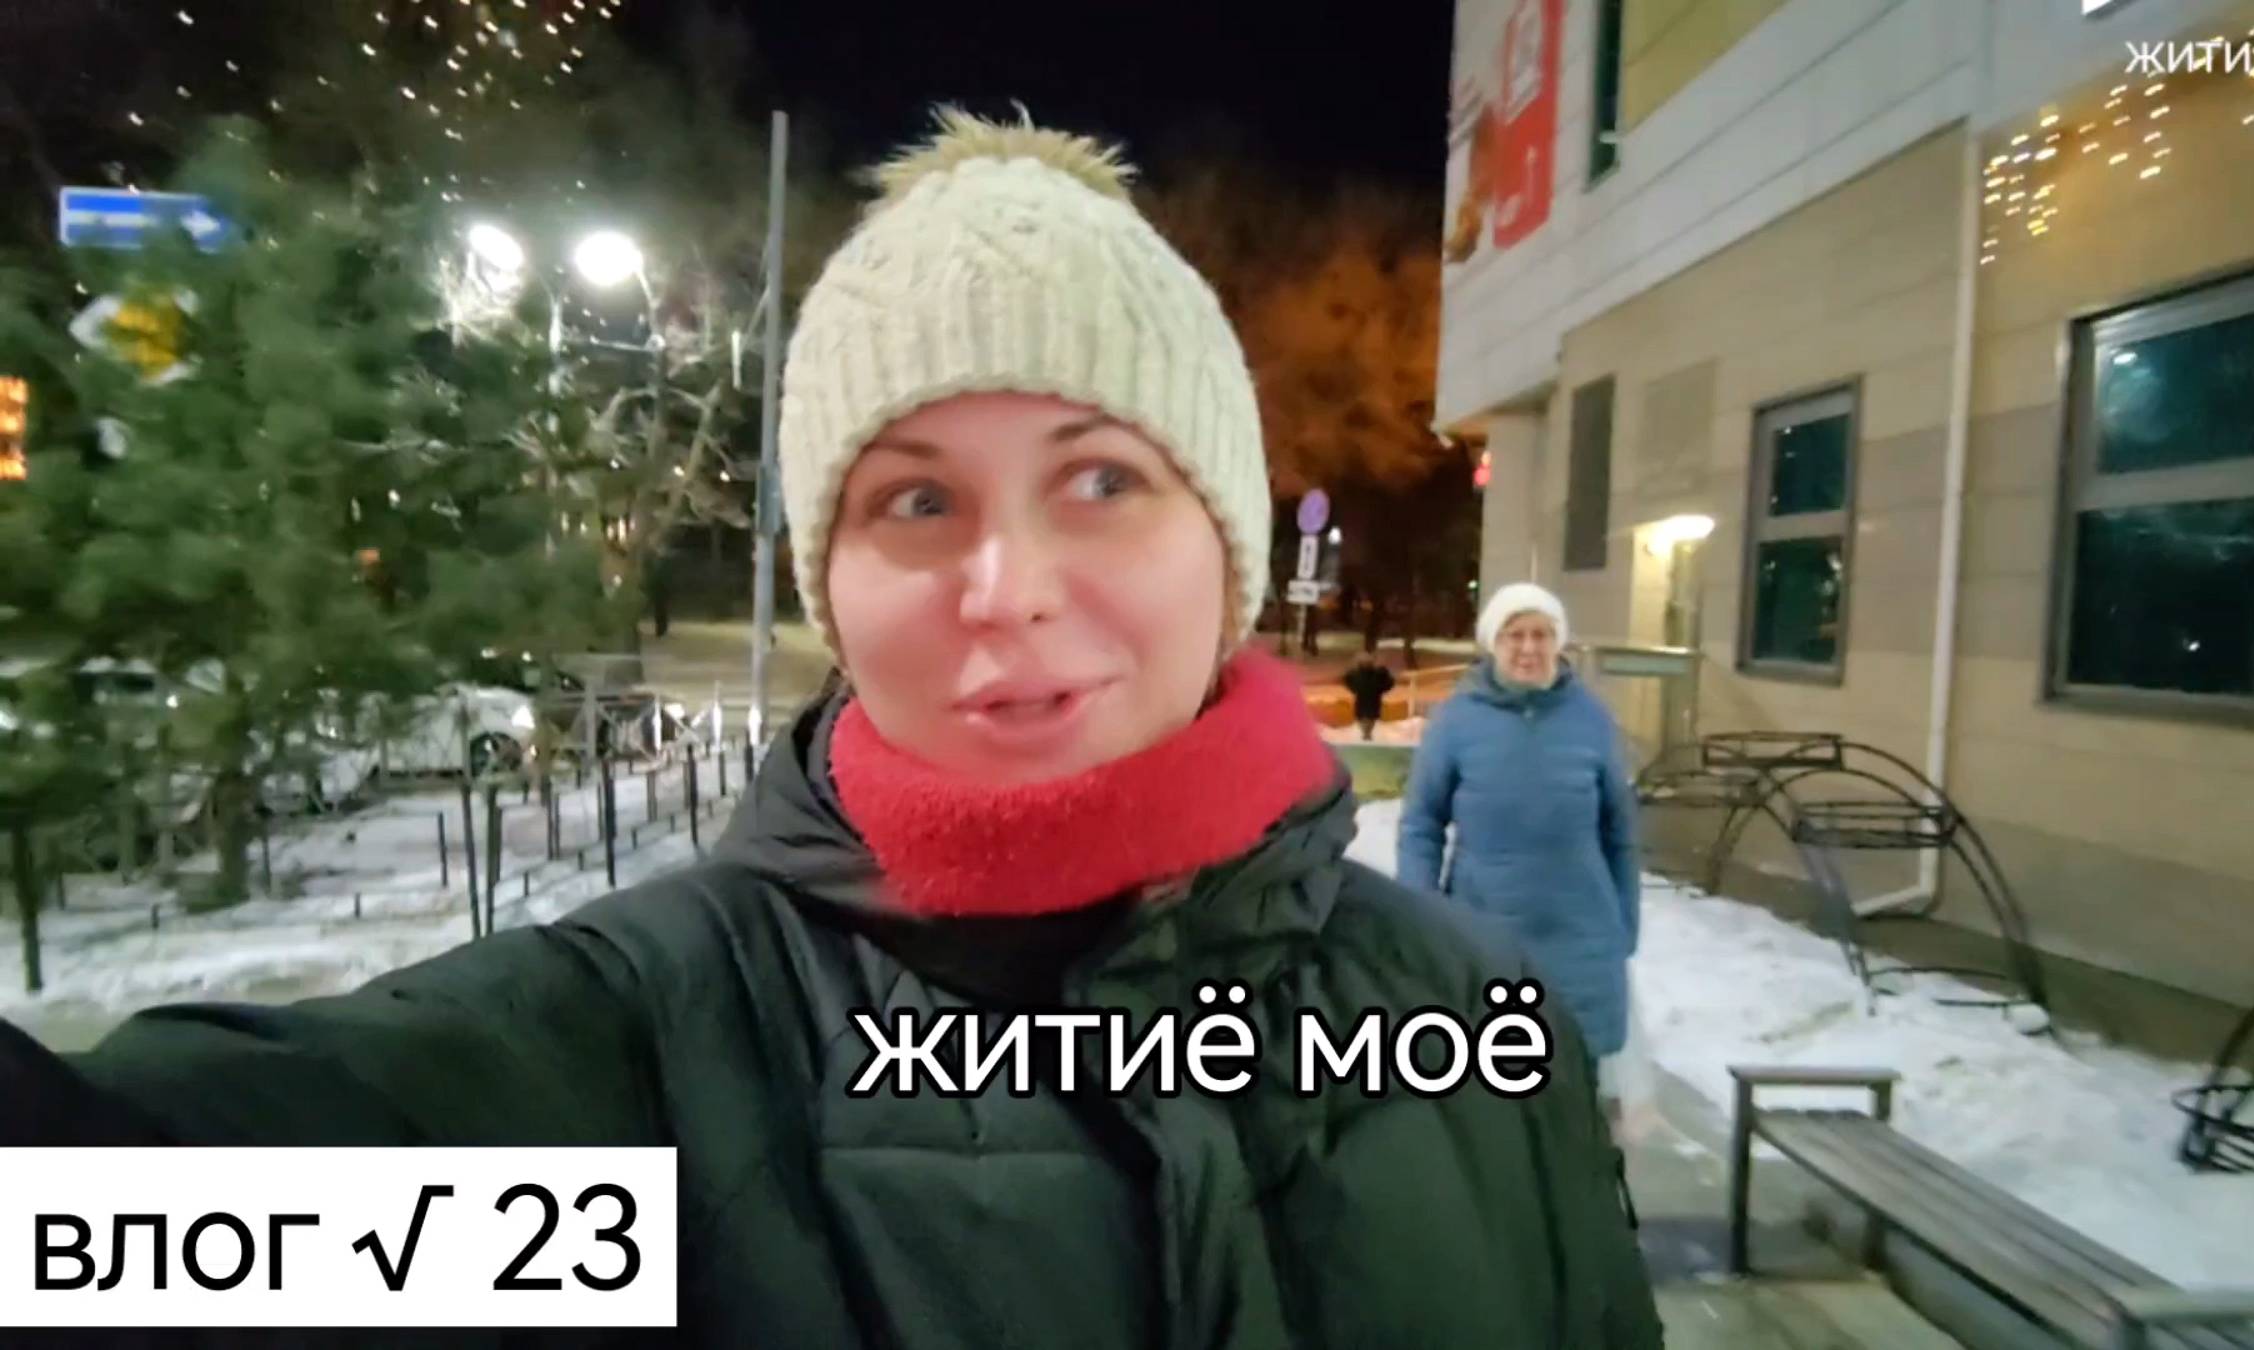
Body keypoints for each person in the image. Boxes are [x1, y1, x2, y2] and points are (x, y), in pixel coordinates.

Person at [0, 112, 1660, 1348]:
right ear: (832, 584)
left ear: (1225, 546)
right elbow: (95, 1224)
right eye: (917, 500)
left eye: (1101, 478)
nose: (1009, 588)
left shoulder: (1474, 1020)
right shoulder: (656, 1051)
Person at [1398, 582, 1644, 1111]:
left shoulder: (1591, 719)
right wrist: (1420, 917)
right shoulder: (1457, 721)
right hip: (1485, 934)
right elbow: (1421, 824)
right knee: (1490, 1095)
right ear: (1494, 643)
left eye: (1541, 634)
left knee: (1576, 1098)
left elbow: (1620, 834)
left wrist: (1625, 924)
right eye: (1515, 635)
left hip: (1582, 940)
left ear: (1558, 642)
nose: (1529, 648)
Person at [1340, 648, 1397, 741]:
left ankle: (1366, 734)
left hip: (1365, 700)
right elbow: (1389, 683)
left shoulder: (1357, 674)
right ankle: (1367, 734)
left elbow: (1348, 682)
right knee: (1369, 717)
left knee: (1365, 717)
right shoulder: (1377, 674)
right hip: (1371, 700)